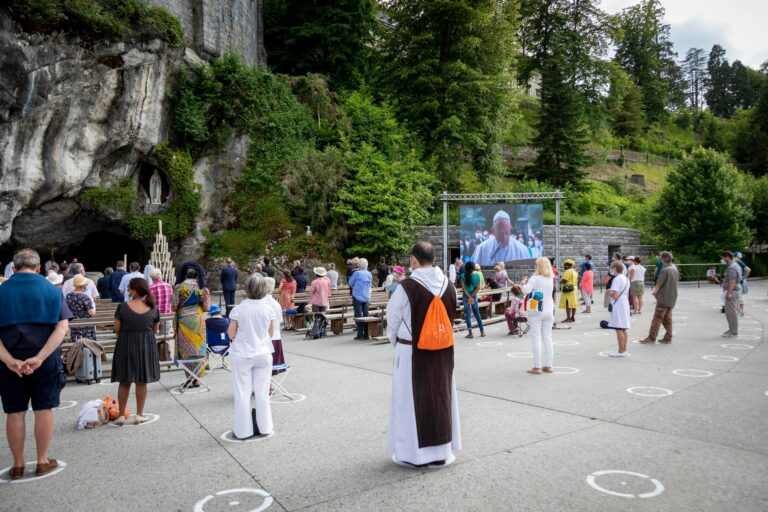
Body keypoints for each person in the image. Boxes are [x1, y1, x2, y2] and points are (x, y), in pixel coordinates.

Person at [386, 241, 460, 467]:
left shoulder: (406, 287)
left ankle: (413, 455)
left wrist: (396, 343)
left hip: (411, 351)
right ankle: (441, 452)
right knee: (442, 396)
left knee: (410, 402)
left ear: (414, 260)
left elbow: (393, 321)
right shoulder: (449, 285)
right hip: (443, 349)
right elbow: (452, 313)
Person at [0, 250, 72, 480]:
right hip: (44, 357)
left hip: (9, 358)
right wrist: (40, 357)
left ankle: (18, 465)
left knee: (14, 411)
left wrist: (10, 361)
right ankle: (42, 460)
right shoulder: (52, 291)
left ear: (13, 268)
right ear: (39, 268)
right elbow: (62, 328)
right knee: (43, 408)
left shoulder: (1, 292)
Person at [227, 274, 275, 439]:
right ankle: (265, 427)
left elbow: (231, 334)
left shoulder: (239, 309)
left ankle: (243, 430)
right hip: (263, 353)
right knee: (262, 393)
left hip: (242, 354)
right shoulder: (268, 308)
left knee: (242, 393)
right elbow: (270, 333)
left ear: (247, 289)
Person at [111, 278, 160, 425]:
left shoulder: (122, 307)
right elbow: (155, 330)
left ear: (135, 290)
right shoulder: (153, 308)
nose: (127, 291)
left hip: (125, 344)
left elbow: (116, 329)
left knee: (124, 381)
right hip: (145, 345)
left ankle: (120, 415)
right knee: (141, 381)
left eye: (129, 288)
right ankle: (139, 414)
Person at [173, 265, 210, 387]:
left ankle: (189, 378)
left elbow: (174, 305)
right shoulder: (202, 288)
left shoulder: (179, 287)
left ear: (185, 275)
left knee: (186, 349)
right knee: (198, 348)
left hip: (184, 319)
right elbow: (206, 307)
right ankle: (197, 378)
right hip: (198, 319)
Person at [521, 258, 555, 374]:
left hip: (536, 311)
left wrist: (523, 283)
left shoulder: (535, 278)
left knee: (536, 339)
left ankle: (537, 366)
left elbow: (526, 291)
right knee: (548, 338)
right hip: (549, 310)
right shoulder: (550, 278)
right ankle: (549, 365)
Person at [639, 251, 678, 344]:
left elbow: (658, 284)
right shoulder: (674, 268)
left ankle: (651, 337)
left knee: (657, 318)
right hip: (672, 297)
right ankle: (668, 337)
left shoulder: (665, 270)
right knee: (667, 319)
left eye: (661, 258)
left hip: (663, 298)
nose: (660, 260)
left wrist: (654, 293)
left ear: (664, 259)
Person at [605, 260, 631, 357]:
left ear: (615, 269)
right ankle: (624, 349)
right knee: (624, 328)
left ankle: (621, 351)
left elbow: (615, 295)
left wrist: (609, 292)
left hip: (618, 304)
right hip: (624, 303)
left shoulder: (616, 279)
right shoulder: (626, 278)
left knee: (619, 328)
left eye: (612, 268)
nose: (611, 270)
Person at [264, 278, 286, 382]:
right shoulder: (276, 304)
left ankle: (268, 384)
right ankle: (269, 383)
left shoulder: (261, 303)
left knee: (265, 365)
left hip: (264, 337)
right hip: (276, 336)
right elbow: (280, 321)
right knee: (272, 364)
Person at [65, 275, 96, 341]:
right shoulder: (85, 297)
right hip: (85, 325)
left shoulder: (68, 296)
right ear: (82, 286)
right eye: (86, 285)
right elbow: (92, 313)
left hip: (74, 324)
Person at [348, 258, 373, 341]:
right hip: (366, 296)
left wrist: (355, 287)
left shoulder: (357, 273)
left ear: (359, 265)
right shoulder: (369, 274)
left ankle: (360, 334)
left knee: (358, 315)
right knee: (366, 314)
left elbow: (350, 283)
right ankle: (366, 334)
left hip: (357, 296)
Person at [459, 262, 485, 339]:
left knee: (468, 315)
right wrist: (472, 296)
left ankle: (470, 333)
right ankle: (482, 331)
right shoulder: (477, 275)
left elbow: (463, 289)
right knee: (477, 313)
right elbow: (478, 287)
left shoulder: (462, 276)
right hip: (474, 296)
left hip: (465, 296)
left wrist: (468, 297)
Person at [720, 250, 742, 338]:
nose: (723, 260)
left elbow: (732, 281)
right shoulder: (735, 265)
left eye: (723, 258)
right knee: (729, 312)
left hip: (732, 292)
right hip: (733, 291)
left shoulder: (732, 267)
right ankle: (731, 330)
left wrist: (728, 293)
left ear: (727, 257)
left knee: (731, 313)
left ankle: (733, 331)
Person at [734, 252, 750, 317]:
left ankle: (740, 311)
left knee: (738, 297)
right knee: (738, 297)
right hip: (738, 281)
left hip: (738, 282)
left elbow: (748, 270)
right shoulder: (739, 262)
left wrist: (743, 277)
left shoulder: (739, 262)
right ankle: (739, 311)